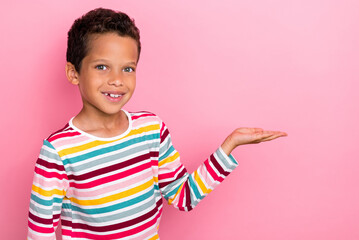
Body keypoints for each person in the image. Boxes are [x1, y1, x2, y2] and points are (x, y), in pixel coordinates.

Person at [27, 8, 287, 240]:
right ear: (74, 73)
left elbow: (184, 197)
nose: (117, 80)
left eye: (127, 69)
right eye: (102, 67)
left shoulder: (151, 130)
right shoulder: (58, 150)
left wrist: (229, 146)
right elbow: (40, 232)